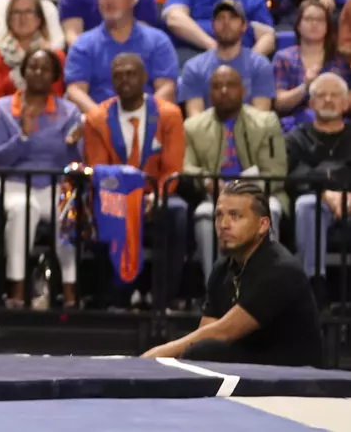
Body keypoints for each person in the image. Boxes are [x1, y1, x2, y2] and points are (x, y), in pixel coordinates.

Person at [142, 181, 323, 366]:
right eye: (219, 215)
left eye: (235, 216)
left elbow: (223, 332)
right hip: (257, 366)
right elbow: (206, 333)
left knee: (204, 352)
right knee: (201, 351)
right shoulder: (223, 267)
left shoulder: (281, 270)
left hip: (298, 376)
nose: (224, 224)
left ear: (263, 225)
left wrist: (157, 355)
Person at [82, 52, 189, 307]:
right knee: (101, 208)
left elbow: (172, 169)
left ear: (144, 78)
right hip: (114, 194)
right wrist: (128, 198)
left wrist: (153, 197)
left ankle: (164, 296)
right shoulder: (97, 117)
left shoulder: (169, 114)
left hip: (157, 194)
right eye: (117, 75)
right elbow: (99, 170)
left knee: (177, 211)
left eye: (131, 74)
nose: (124, 80)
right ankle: (113, 296)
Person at [0, 49, 82, 309]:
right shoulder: (1, 109)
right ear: (23, 71)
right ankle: (16, 291)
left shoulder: (70, 113)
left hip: (54, 184)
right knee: (23, 209)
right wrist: (23, 137)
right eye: (33, 67)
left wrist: (74, 145)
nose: (38, 73)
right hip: (13, 182)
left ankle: (71, 295)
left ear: (55, 76)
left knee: (68, 213)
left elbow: (72, 161)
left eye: (45, 69)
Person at [183, 65, 288, 285]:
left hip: (259, 195)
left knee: (273, 210)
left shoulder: (266, 122)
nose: (223, 90)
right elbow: (187, 168)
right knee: (204, 215)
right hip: (215, 197)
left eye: (230, 85)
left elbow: (277, 172)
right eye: (217, 86)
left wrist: (242, 190)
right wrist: (206, 180)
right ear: (208, 93)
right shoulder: (193, 126)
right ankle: (213, 288)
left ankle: (267, 287)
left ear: (243, 90)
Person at [64, 0, 179, 113]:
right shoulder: (83, 44)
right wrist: (102, 119)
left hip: (147, 122)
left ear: (132, 0)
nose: (109, 1)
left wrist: (141, 119)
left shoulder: (158, 40)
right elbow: (75, 90)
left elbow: (166, 88)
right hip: (97, 122)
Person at [286, 74, 351, 280]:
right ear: (311, 103)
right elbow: (292, 174)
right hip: (317, 200)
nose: (329, 100)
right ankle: (314, 284)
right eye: (322, 95)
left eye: (335, 95)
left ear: (346, 102)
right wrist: (323, 192)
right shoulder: (297, 137)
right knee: (307, 205)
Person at [180, 0, 277, 116]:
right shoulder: (194, 67)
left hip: (249, 132)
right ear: (213, 26)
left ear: (244, 26)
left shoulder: (260, 65)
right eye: (220, 18)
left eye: (233, 17)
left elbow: (261, 118)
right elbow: (195, 119)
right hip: (208, 132)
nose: (226, 22)